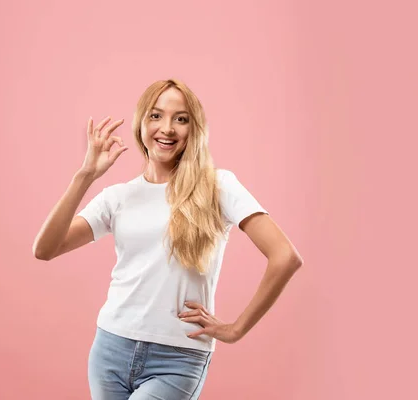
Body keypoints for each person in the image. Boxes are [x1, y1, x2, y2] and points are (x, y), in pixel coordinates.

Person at [33, 78, 304, 399]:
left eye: (181, 119)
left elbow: (285, 256)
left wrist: (236, 329)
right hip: (111, 346)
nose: (168, 128)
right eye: (156, 115)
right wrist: (85, 176)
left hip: (177, 356)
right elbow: (45, 249)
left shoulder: (218, 186)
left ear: (195, 129)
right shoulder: (117, 197)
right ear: (141, 124)